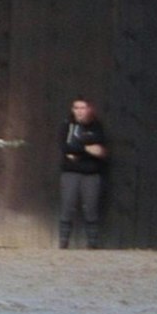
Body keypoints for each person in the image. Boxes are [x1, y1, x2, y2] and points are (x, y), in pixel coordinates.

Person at [58, 97, 108, 249]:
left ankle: (92, 244)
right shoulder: (67, 126)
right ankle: (63, 243)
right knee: (67, 206)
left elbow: (101, 151)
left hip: (91, 173)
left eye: (82, 108)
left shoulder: (97, 126)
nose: (79, 111)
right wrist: (87, 148)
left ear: (89, 109)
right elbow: (66, 149)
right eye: (76, 108)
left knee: (91, 208)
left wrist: (80, 148)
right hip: (71, 172)